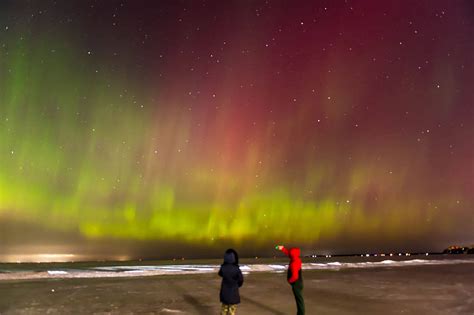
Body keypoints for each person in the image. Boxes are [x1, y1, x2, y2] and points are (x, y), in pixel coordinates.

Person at [277, 245, 305, 315]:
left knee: (299, 301)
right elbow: (288, 253)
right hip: (299, 283)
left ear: (292, 255)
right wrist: (282, 248)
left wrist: (290, 281)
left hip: (296, 284)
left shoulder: (294, 263)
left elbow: (295, 276)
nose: (289, 254)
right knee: (299, 300)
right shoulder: (296, 258)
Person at [218, 248, 244, 315]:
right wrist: (238, 284)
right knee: (232, 311)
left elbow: (220, 274)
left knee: (224, 310)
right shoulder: (236, 268)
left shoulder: (223, 267)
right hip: (233, 293)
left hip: (224, 293)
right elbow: (241, 279)